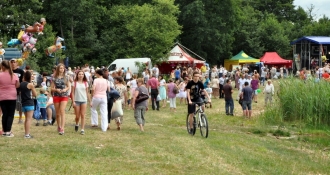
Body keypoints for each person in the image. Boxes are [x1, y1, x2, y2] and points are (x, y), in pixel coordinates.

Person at [0, 60, 20, 137]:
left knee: (4, 114)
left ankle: (4, 131)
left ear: (3, 67)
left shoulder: (0, 75)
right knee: (10, 114)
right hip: (12, 96)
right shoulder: (14, 75)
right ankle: (8, 131)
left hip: (2, 96)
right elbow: (17, 85)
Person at [50, 63, 71, 135]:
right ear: (58, 69)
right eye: (60, 68)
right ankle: (58, 126)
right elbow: (51, 88)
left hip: (64, 95)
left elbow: (68, 86)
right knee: (57, 113)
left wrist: (65, 89)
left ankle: (62, 128)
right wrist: (56, 90)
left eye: (63, 68)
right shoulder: (54, 77)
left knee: (62, 111)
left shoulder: (66, 77)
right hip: (56, 95)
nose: (62, 69)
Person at [71, 70, 90, 135]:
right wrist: (73, 101)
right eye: (79, 74)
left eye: (82, 74)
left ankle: (82, 129)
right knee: (77, 116)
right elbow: (72, 93)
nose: (81, 75)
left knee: (83, 115)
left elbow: (87, 93)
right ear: (77, 75)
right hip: (77, 100)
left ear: (83, 75)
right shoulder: (74, 83)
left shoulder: (86, 83)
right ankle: (77, 123)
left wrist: (90, 101)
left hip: (84, 100)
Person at [11, 58, 25, 124]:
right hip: (10, 90)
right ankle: (11, 118)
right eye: (12, 62)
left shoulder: (20, 71)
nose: (13, 63)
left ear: (17, 63)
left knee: (20, 105)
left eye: (14, 62)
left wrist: (21, 89)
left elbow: (23, 81)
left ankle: (20, 118)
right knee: (11, 105)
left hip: (19, 90)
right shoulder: (9, 71)